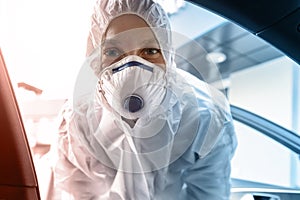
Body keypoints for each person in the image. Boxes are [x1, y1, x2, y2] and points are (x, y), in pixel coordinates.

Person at [52, 0, 237, 199]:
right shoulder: (78, 119)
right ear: (96, 58)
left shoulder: (205, 115)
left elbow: (209, 194)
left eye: (149, 51)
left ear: (167, 54)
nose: (132, 68)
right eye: (113, 52)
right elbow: (80, 191)